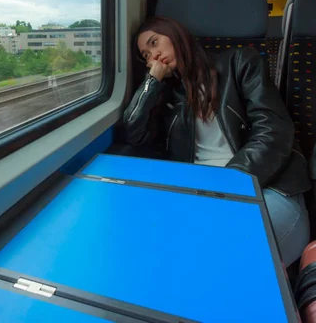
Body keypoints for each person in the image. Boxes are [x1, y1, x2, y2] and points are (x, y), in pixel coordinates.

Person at [123, 16, 312, 266]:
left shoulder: (240, 62)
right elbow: (132, 131)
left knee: (217, 252)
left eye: (155, 42)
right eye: (146, 56)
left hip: (267, 186)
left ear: (175, 33)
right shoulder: (166, 96)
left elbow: (274, 131)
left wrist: (229, 183)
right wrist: (152, 82)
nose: (154, 57)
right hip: (203, 192)